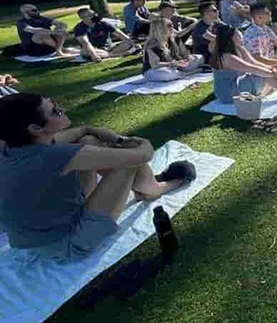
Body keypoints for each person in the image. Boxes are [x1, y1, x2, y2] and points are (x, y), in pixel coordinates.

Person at [0, 93, 195, 261]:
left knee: (89, 141)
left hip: (38, 239)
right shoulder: (53, 155)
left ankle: (137, 186)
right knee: (128, 160)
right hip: (70, 244)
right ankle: (155, 189)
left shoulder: (13, 149)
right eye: (55, 111)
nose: (62, 108)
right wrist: (128, 141)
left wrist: (95, 132)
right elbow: (143, 154)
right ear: (35, 128)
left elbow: (82, 132)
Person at [208, 23, 277, 104]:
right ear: (230, 39)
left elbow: (254, 62)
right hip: (228, 93)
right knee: (264, 75)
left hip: (237, 84)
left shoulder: (239, 48)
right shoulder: (227, 57)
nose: (241, 38)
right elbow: (252, 68)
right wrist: (273, 73)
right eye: (238, 37)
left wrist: (273, 70)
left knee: (268, 73)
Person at [142, 16, 204, 82]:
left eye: (172, 24)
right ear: (160, 28)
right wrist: (174, 63)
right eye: (169, 25)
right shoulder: (153, 44)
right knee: (168, 74)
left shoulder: (174, 38)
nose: (172, 27)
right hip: (155, 70)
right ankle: (186, 73)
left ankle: (181, 73)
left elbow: (184, 52)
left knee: (200, 57)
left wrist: (188, 56)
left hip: (174, 66)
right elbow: (155, 64)